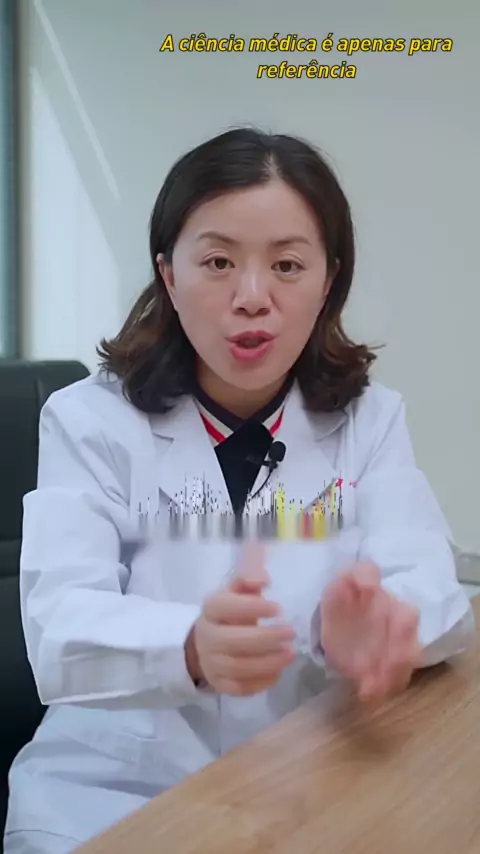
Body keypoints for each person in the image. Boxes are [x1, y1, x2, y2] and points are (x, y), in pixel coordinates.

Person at [4, 127, 473, 854]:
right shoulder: (87, 420)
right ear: (168, 275)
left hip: (303, 784)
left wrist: (380, 626)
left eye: (287, 265)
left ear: (329, 280)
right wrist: (188, 646)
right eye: (218, 261)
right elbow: (57, 627)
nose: (253, 298)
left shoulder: (370, 421)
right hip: (111, 797)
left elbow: (435, 590)